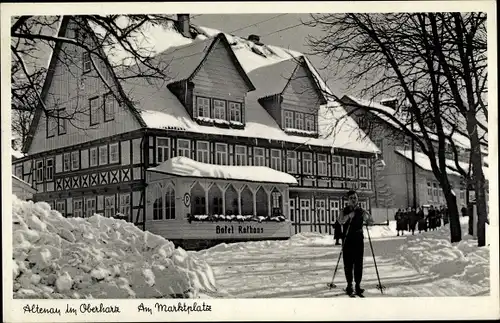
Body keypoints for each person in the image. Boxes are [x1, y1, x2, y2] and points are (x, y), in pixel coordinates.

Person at [338, 190, 374, 296]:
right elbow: (340, 221)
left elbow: (371, 221)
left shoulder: (361, 211)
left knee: (358, 263)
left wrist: (368, 218)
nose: (353, 200)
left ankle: (358, 285)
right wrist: (349, 216)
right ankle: (349, 285)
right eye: (351, 198)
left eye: (355, 198)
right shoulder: (344, 210)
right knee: (348, 263)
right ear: (348, 200)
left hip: (358, 239)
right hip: (347, 240)